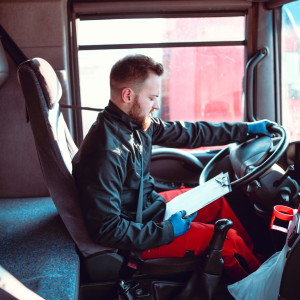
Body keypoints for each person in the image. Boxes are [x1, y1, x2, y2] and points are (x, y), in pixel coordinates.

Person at [72, 54, 274, 281]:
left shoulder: (138, 124)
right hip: (135, 239)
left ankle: (254, 260)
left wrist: (246, 130)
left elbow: (191, 132)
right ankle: (261, 285)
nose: (157, 105)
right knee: (229, 242)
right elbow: (108, 230)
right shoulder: (105, 154)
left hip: (148, 210)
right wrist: (168, 230)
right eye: (152, 98)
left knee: (216, 200)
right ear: (128, 95)